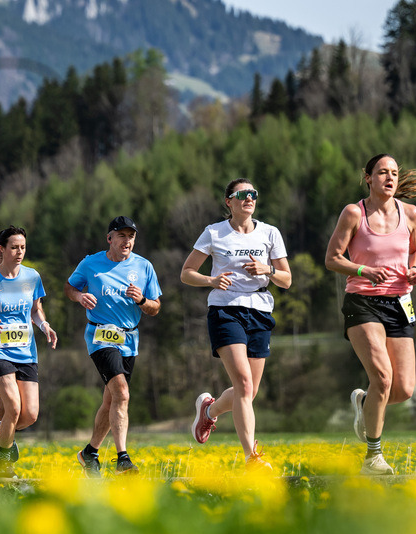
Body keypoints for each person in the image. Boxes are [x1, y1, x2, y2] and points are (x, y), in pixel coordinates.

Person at [180, 179, 291, 470]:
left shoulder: (270, 233)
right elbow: (187, 273)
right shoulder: (214, 232)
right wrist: (211, 280)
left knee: (249, 391)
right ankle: (251, 457)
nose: (248, 198)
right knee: (242, 383)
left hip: (260, 310)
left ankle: (209, 410)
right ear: (228, 201)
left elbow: (287, 279)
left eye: (253, 194)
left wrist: (268, 268)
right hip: (225, 309)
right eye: (241, 194)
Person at [325, 154, 416, 475]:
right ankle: (373, 457)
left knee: (404, 389)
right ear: (368, 177)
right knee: (383, 378)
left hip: (399, 303)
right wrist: (364, 270)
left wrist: (414, 269)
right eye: (382, 172)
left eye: (394, 173)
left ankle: (364, 403)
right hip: (362, 303)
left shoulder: (410, 213)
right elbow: (332, 258)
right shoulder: (355, 213)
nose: (390, 178)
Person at [65, 216, 162, 476]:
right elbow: (69, 287)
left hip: (129, 338)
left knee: (111, 403)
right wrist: (80, 296)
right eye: (121, 236)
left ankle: (90, 453)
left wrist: (142, 300)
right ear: (110, 238)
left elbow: (155, 307)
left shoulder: (144, 266)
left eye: (131, 236)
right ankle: (122, 459)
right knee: (122, 393)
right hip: (100, 336)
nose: (127, 241)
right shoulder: (90, 263)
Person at [0, 226, 57, 479]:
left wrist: (44, 325)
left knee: (29, 415)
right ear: (2, 250)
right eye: (14, 247)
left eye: (23, 247)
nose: (19, 252)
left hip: (27, 352)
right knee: (12, 408)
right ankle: (2, 464)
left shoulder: (32, 276)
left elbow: (36, 310)